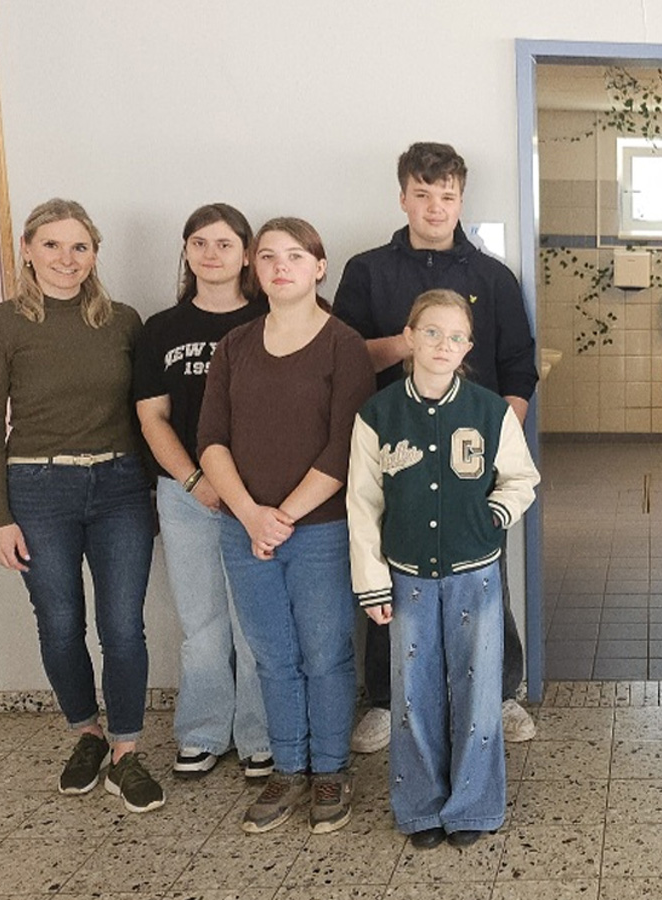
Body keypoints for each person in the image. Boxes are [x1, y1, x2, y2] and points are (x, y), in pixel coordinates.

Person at [335, 141, 540, 752]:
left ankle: (499, 694)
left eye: (446, 195)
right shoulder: (367, 271)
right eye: (421, 194)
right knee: (394, 574)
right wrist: (408, 343)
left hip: (470, 459)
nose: (434, 206)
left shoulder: (492, 276)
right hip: (397, 450)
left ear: (460, 199)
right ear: (402, 197)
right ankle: (385, 698)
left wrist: (499, 441)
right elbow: (344, 359)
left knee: (485, 577)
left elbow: (518, 368)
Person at [0, 198, 163, 812]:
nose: (66, 258)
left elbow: (149, 413)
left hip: (121, 486)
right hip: (38, 489)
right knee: (59, 624)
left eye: (79, 246)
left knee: (123, 627)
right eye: (51, 245)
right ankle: (87, 734)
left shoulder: (125, 321)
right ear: (27, 249)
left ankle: (127, 752)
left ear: (94, 254)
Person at [198, 217, 375, 834]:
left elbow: (344, 448)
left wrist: (285, 517)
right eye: (267, 256)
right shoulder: (236, 346)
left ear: (318, 267)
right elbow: (210, 441)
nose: (280, 267)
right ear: (253, 268)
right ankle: (287, 769)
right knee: (272, 656)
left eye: (295, 256)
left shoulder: (342, 345)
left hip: (319, 530)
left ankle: (329, 770)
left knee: (325, 653)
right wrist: (250, 515)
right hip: (245, 530)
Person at [348, 289, 540, 850]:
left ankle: (474, 807)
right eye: (431, 332)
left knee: (479, 692)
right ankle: (420, 807)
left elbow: (521, 479)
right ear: (409, 337)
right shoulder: (378, 415)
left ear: (468, 348)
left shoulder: (489, 410)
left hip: (474, 575)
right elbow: (363, 504)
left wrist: (493, 517)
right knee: (413, 693)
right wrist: (371, 581)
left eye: (456, 337)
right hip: (405, 577)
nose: (443, 345)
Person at [134, 203, 272, 783]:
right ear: (187, 252)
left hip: (260, 498)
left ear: (245, 253)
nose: (212, 254)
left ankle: (260, 735)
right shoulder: (161, 328)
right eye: (199, 243)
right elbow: (152, 417)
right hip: (184, 493)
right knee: (203, 622)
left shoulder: (274, 317)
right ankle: (203, 732)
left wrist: (236, 492)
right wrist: (195, 481)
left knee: (255, 621)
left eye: (224, 243)